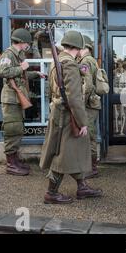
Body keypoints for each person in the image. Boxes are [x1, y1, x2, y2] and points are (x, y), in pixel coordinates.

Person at [40, 30, 102, 204]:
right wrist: (82, 122)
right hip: (68, 115)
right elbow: (74, 97)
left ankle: (82, 186)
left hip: (61, 112)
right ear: (78, 46)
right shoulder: (69, 64)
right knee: (63, 155)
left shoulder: (58, 61)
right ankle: (51, 193)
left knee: (73, 151)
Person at [0, 28, 46, 176]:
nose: (28, 46)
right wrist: (21, 68)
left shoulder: (18, 55)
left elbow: (21, 76)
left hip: (17, 99)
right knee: (12, 130)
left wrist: (35, 73)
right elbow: (2, 72)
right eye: (27, 43)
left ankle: (15, 159)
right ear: (21, 42)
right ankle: (11, 164)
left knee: (17, 129)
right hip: (11, 100)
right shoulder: (8, 54)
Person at [78, 35, 109, 179]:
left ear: (85, 48)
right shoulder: (92, 61)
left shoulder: (85, 61)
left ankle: (92, 168)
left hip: (89, 104)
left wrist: (80, 104)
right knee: (89, 134)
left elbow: (88, 85)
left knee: (89, 136)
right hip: (93, 104)